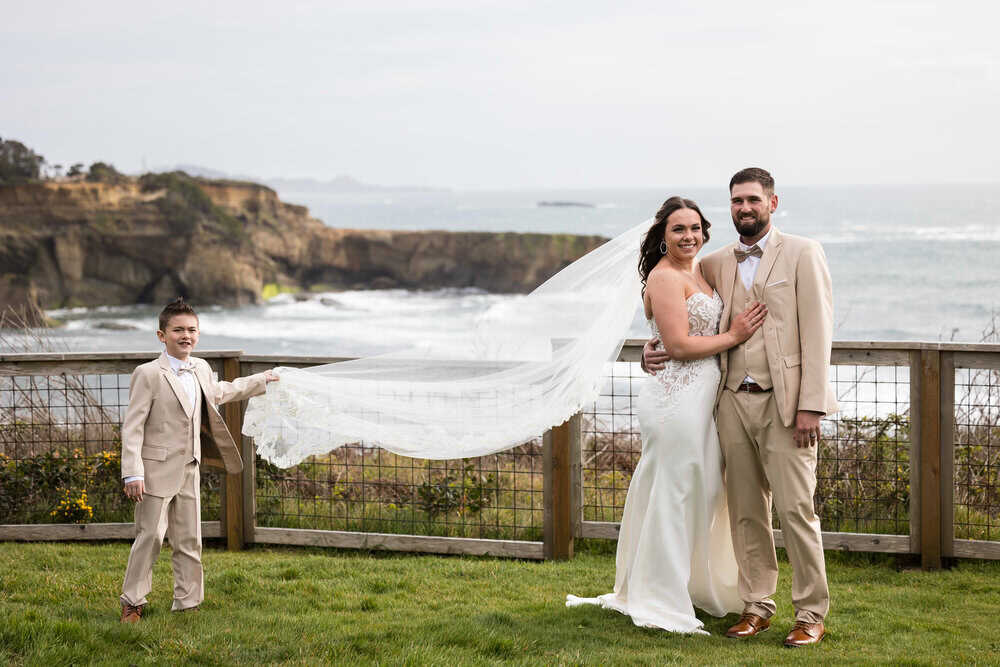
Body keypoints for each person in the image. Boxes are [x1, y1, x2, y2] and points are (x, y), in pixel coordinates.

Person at [643, 168, 837, 647]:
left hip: (785, 404)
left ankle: (810, 614)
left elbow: (818, 333)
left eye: (752, 199)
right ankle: (756, 606)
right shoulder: (712, 263)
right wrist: (652, 350)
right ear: (729, 207)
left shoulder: (803, 253)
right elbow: (678, 314)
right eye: (736, 201)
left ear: (772, 202)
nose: (744, 208)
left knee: (797, 510)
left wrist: (812, 406)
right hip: (729, 403)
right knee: (746, 512)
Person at [566, 196, 767, 634]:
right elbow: (676, 345)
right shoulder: (662, 276)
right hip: (676, 399)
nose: (688, 236)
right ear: (662, 236)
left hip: (703, 399)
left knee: (701, 491)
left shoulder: (701, 269)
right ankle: (660, 595)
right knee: (674, 494)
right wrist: (735, 334)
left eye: (695, 228)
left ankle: (685, 584)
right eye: (679, 229)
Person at [119, 298, 277, 623]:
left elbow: (220, 392)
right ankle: (133, 601)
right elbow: (132, 427)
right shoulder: (148, 374)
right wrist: (132, 473)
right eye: (178, 330)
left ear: (198, 334)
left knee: (190, 539)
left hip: (190, 467)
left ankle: (188, 601)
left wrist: (262, 380)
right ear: (162, 335)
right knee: (150, 538)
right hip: (154, 471)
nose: (186, 336)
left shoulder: (201, 368)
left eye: (191, 330)